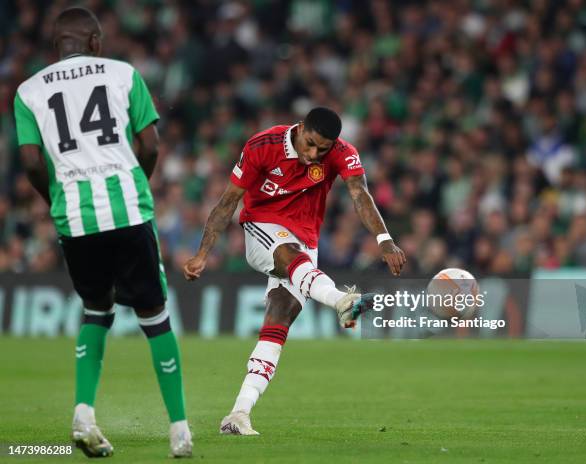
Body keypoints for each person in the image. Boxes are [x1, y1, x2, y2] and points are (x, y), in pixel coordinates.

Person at [13, 7, 192, 458]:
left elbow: (32, 162)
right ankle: (180, 430)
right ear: (94, 41)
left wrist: (54, 195)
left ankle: (84, 413)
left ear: (56, 44)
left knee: (97, 308)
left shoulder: (28, 91)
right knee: (153, 312)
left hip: (75, 216)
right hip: (128, 210)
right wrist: (138, 181)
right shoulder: (123, 74)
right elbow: (150, 144)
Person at [184, 107, 406, 435]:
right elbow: (228, 201)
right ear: (300, 128)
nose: (314, 154)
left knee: (278, 321)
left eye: (323, 149)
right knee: (288, 254)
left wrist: (385, 240)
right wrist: (203, 253)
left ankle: (238, 414)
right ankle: (341, 301)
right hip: (262, 228)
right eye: (310, 144)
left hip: (304, 244)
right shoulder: (263, 145)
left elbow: (360, 195)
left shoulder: (343, 153)